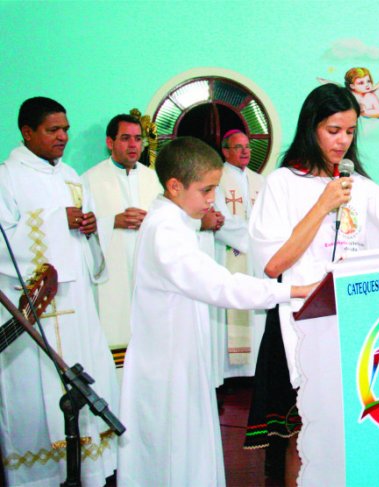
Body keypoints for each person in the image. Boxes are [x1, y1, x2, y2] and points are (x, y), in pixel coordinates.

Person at [244, 83, 379, 485]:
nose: (343, 141)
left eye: (350, 131)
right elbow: (273, 263)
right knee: (300, 436)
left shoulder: (360, 185)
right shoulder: (283, 183)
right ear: (311, 127)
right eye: (333, 130)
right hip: (299, 326)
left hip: (351, 326)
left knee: (349, 430)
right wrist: (323, 204)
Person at [116, 137, 313, 487]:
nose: (212, 199)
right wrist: (292, 290)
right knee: (174, 453)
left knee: (187, 449)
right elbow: (220, 285)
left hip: (179, 359)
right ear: (175, 186)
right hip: (166, 367)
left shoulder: (174, 221)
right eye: (206, 190)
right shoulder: (165, 231)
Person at [0, 97, 119, 486]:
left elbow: (86, 244)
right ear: (27, 132)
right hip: (34, 304)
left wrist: (88, 227)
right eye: (53, 130)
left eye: (66, 129)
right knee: (36, 394)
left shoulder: (70, 175)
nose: (63, 137)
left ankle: (89, 470)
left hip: (76, 300)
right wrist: (55, 221)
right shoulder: (7, 178)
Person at [82, 114, 163, 379]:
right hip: (111, 279)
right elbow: (80, 232)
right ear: (110, 142)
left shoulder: (156, 180)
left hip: (148, 275)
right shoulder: (88, 180)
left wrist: (151, 221)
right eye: (125, 138)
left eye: (138, 139)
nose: (133, 145)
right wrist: (111, 221)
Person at [211, 129, 267, 380]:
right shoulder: (217, 179)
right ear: (225, 151)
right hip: (231, 253)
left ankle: (255, 367)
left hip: (255, 257)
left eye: (247, 147)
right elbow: (220, 218)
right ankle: (231, 373)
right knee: (230, 307)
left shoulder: (259, 180)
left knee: (256, 310)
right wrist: (251, 237)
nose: (245, 151)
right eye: (238, 147)